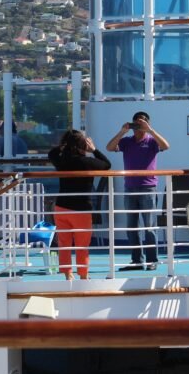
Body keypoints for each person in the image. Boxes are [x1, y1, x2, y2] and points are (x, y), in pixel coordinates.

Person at [107, 111, 170, 271]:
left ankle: (151, 261)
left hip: (148, 188)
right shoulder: (127, 141)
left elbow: (165, 146)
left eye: (140, 125)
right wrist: (123, 131)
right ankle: (136, 261)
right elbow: (110, 147)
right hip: (130, 188)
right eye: (135, 124)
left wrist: (150, 130)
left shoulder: (151, 141)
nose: (137, 128)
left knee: (149, 227)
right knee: (132, 227)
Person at [48, 129, 110, 280]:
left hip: (62, 207)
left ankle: (68, 274)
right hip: (81, 209)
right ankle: (83, 275)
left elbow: (51, 154)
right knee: (82, 245)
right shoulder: (87, 162)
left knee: (64, 243)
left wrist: (63, 145)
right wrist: (94, 150)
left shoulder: (62, 161)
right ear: (84, 146)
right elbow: (107, 164)